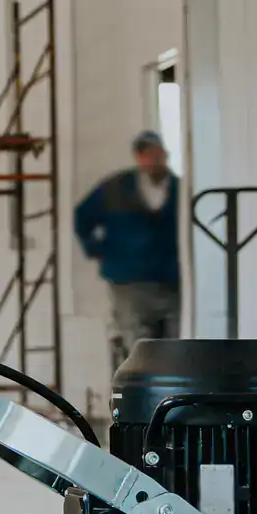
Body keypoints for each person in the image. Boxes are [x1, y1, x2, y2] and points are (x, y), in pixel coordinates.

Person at [74, 130, 182, 370]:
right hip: (128, 281)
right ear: (138, 157)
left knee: (174, 346)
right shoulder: (115, 188)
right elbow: (82, 217)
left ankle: (166, 390)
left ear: (165, 155)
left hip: (170, 281)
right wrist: (99, 250)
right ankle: (141, 392)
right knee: (138, 346)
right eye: (146, 154)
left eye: (156, 153)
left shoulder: (179, 190)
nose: (151, 159)